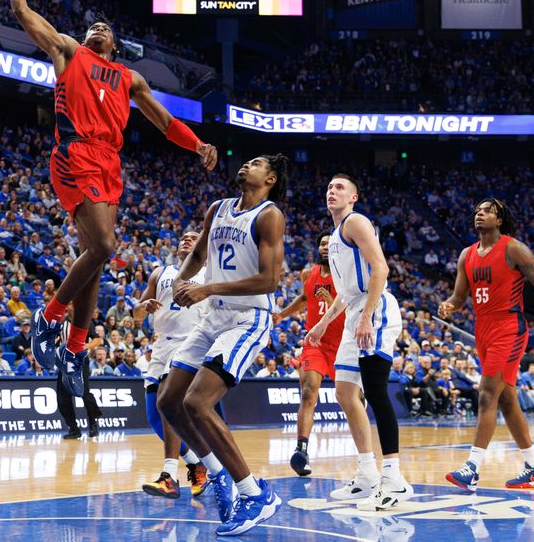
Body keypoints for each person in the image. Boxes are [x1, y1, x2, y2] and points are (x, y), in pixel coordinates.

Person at [8, 0, 218, 398]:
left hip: (109, 162)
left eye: (106, 27)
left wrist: (197, 144)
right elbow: (22, 12)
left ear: (116, 44)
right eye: (93, 26)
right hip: (75, 152)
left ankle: (76, 348)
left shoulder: (130, 78)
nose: (99, 27)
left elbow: (164, 122)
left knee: (97, 257)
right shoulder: (69, 51)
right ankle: (47, 320)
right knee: (105, 245)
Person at [158, 154, 288, 535]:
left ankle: (255, 493)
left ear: (271, 178)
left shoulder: (269, 215)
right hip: (214, 315)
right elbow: (199, 254)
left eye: (257, 163)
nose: (246, 165)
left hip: (248, 318)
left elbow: (269, 280)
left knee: (197, 402)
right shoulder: (218, 208)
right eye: (247, 161)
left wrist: (207, 287)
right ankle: (219, 475)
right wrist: (178, 286)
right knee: (169, 400)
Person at [306, 174, 413, 510]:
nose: (331, 192)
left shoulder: (356, 222)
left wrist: (367, 316)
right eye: (328, 188)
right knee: (344, 391)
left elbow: (381, 269)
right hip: (355, 311)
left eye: (339, 188)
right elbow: (342, 294)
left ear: (354, 197)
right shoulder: (336, 236)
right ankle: (368, 474)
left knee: (376, 389)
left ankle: (394, 478)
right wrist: (322, 324)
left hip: (375, 308)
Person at [440, 198, 534, 492]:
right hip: (482, 329)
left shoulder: (513, 248)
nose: (480, 213)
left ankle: (472, 468)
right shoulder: (466, 255)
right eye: (477, 210)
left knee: (486, 394)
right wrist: (449, 306)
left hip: (509, 327)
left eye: (488, 210)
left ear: (500, 219)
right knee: (506, 400)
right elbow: (459, 296)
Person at [133, 231, 209, 499]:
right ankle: (198, 464)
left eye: (194, 237)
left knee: (168, 402)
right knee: (154, 417)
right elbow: (136, 313)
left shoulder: (209, 275)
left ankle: (169, 476)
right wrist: (145, 306)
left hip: (190, 343)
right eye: (184, 237)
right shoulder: (160, 273)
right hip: (161, 345)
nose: (187, 240)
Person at [273, 230, 345, 477]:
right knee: (308, 392)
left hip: (343, 344)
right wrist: (282, 315)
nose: (325, 246)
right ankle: (301, 450)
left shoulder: (345, 273)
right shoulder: (308, 274)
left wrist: (333, 297)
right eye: (322, 243)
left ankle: (365, 457)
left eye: (329, 243)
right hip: (315, 343)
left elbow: (353, 303)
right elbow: (304, 299)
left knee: (350, 399)